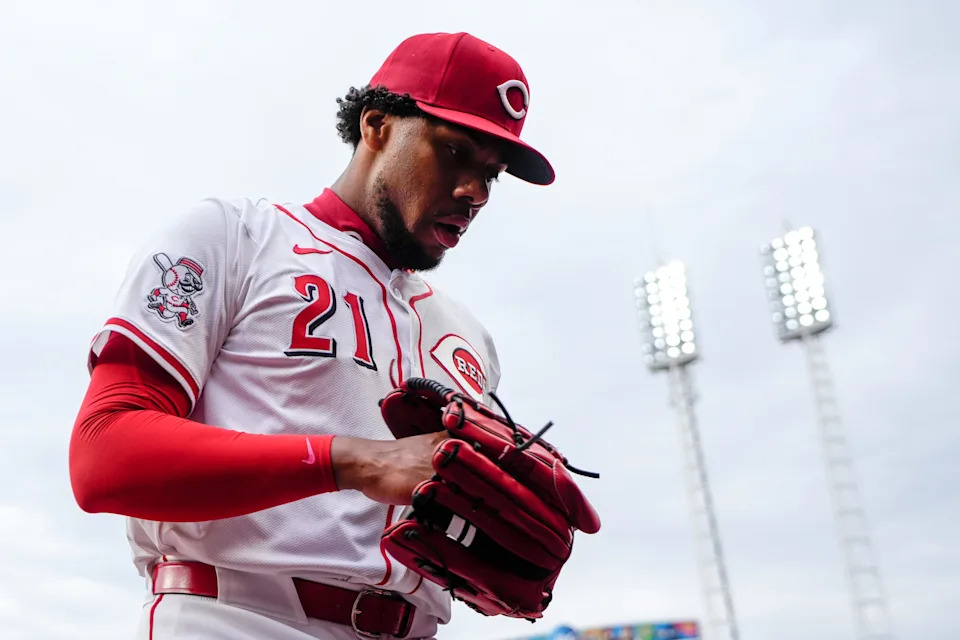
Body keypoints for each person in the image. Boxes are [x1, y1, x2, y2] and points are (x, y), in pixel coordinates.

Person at [70, 31, 556, 639]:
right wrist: (354, 461)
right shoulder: (237, 237)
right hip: (235, 615)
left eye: (493, 174)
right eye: (455, 151)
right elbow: (104, 455)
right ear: (377, 124)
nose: (475, 192)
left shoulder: (468, 337)